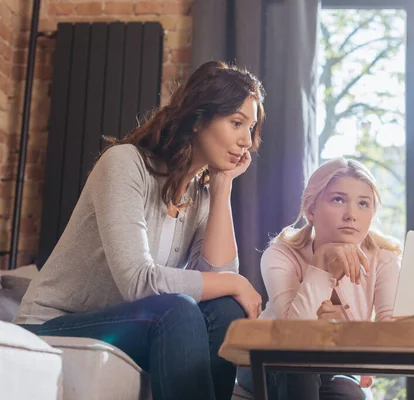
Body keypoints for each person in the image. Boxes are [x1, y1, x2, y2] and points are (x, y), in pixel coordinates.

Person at [13, 60, 265, 400]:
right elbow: (138, 282)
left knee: (225, 311)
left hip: (131, 324)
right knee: (176, 310)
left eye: (250, 129)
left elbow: (217, 281)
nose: (246, 141)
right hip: (53, 323)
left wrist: (222, 188)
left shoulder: (199, 194)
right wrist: (235, 282)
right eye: (237, 123)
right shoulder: (125, 164)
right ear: (198, 119)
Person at [236, 158, 402, 400]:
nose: (351, 215)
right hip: (269, 360)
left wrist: (351, 338)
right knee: (298, 368)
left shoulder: (383, 259)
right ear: (311, 210)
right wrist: (321, 264)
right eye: (338, 200)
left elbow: (392, 335)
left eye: (363, 204)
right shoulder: (281, 254)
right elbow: (292, 337)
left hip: (337, 367)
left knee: (349, 395)